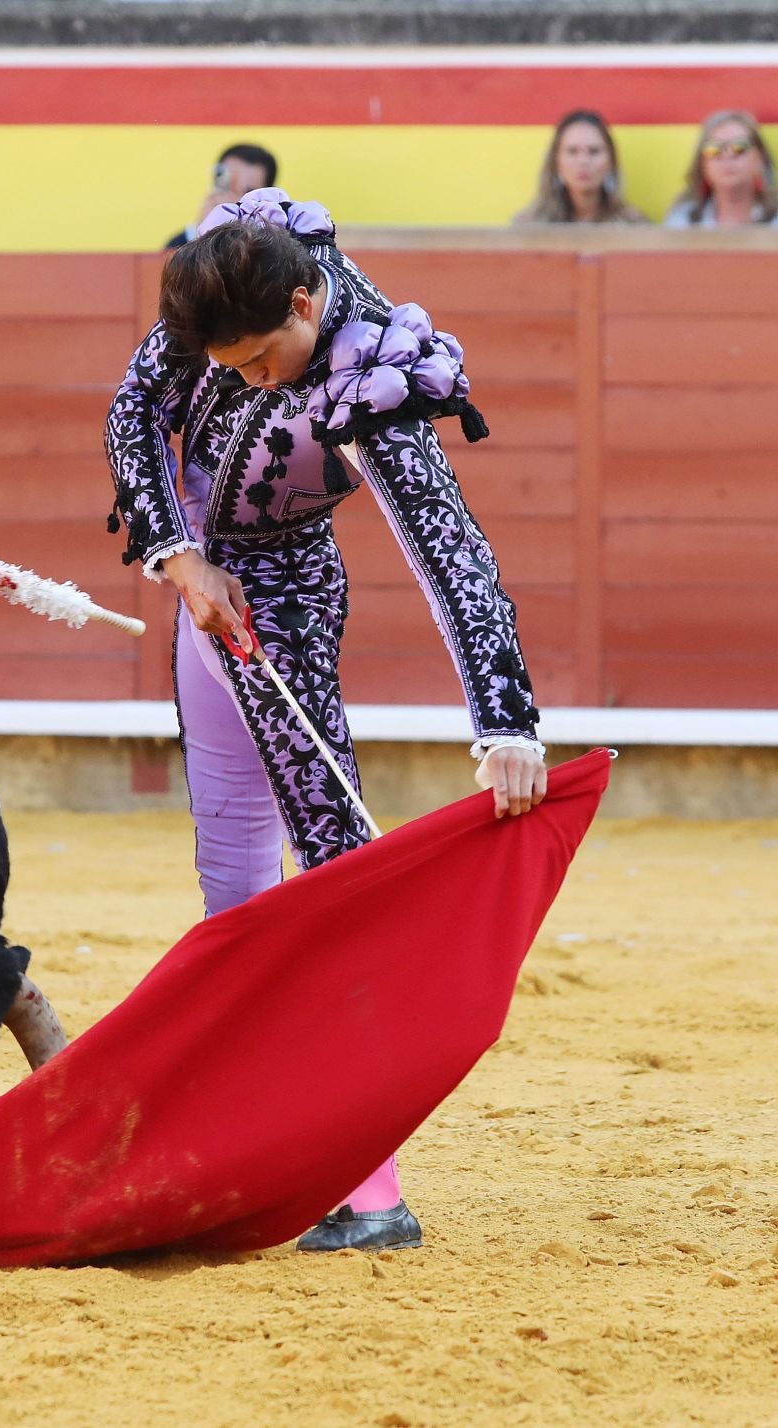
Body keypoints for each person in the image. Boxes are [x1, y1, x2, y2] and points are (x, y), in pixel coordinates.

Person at [104, 189, 548, 1253]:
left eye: (263, 358)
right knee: (231, 889)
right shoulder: (223, 300)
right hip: (205, 599)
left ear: (307, 305)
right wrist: (177, 557)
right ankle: (252, 1138)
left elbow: (453, 555)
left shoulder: (373, 384)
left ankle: (371, 1189)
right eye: (232, 364)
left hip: (285, 614)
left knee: (336, 878)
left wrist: (508, 724)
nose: (249, 377)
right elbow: (132, 415)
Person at [512, 110, 648, 225]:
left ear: (611, 162)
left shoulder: (633, 226)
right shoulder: (529, 226)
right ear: (556, 162)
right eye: (572, 151)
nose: (583, 161)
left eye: (594, 151)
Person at [664, 110, 778, 227]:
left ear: (760, 158)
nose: (727, 155)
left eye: (739, 146)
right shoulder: (684, 220)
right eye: (714, 148)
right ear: (702, 163)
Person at [165, 144, 279, 250]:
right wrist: (202, 232)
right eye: (228, 187)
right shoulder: (179, 243)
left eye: (248, 193)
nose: (234, 201)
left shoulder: (278, 247)